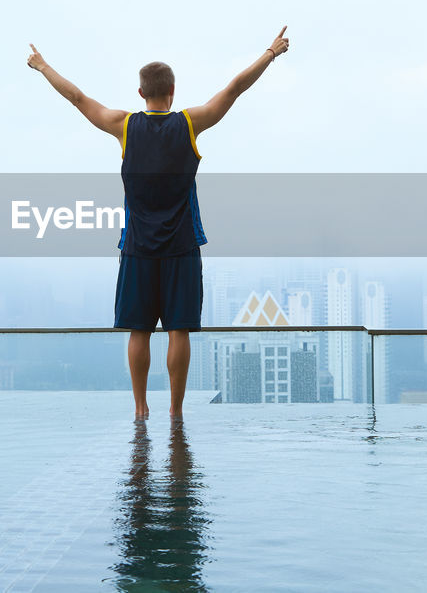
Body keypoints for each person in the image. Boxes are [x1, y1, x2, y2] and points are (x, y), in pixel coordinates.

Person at [27, 27, 291, 419]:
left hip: (137, 247)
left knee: (138, 331)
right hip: (182, 246)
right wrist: (270, 53)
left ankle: (139, 407)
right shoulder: (189, 123)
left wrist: (43, 65)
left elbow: (78, 98)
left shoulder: (124, 126)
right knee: (178, 330)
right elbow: (235, 88)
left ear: (141, 94)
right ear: (172, 91)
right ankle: (176, 409)